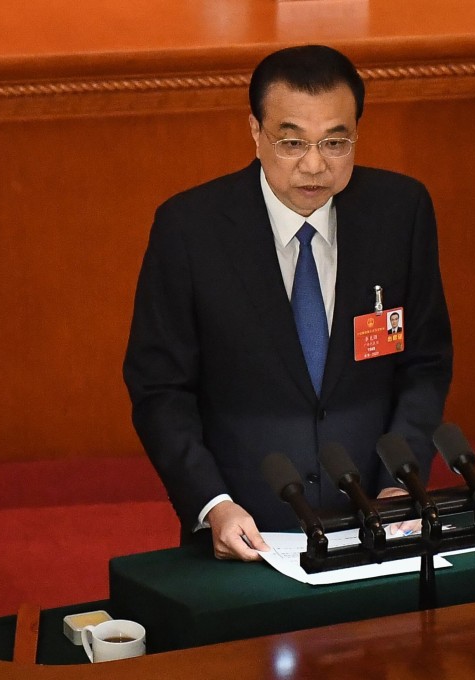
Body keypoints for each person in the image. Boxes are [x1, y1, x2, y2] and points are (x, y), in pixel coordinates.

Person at [123, 44, 453, 561]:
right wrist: (212, 503)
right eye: (292, 142)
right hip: (247, 530)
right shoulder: (190, 229)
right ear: (255, 132)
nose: (315, 165)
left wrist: (399, 481)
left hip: (375, 519)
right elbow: (160, 387)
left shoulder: (400, 212)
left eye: (336, 142)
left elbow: (425, 362)